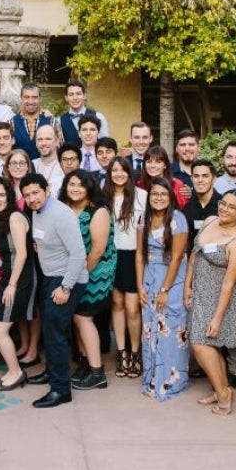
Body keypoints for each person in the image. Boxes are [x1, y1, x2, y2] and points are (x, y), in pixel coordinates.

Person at [22, 173, 87, 408]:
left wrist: (65, 287)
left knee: (55, 334)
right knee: (52, 332)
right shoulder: (37, 211)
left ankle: (61, 390)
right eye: (27, 195)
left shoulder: (61, 214)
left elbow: (79, 254)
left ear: (47, 189)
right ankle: (52, 372)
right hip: (51, 277)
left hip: (66, 280)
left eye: (35, 193)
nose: (31, 198)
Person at [185, 189, 236, 415]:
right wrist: (187, 286)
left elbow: (229, 283)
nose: (225, 209)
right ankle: (220, 388)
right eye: (223, 203)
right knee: (210, 346)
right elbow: (195, 254)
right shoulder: (211, 220)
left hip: (222, 299)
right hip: (200, 293)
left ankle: (224, 395)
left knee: (201, 344)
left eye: (232, 207)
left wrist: (217, 317)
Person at [59, 170, 114, 391]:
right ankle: (84, 362)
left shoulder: (98, 211)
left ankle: (97, 372)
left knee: (83, 318)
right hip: (73, 272)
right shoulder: (65, 209)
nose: (75, 188)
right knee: (75, 316)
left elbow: (98, 250)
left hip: (95, 272)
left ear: (89, 187)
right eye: (71, 184)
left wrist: (77, 277)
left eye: (81, 185)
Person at [137, 180, 190, 402]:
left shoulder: (178, 219)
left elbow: (177, 257)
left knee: (170, 325)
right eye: (154, 194)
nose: (158, 198)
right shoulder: (144, 218)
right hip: (150, 275)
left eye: (163, 194)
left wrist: (165, 289)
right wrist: (139, 284)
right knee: (150, 327)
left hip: (172, 276)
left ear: (171, 197)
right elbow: (139, 254)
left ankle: (171, 379)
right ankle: (152, 376)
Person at [0, 177, 35, 390]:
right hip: (7, 277)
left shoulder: (15, 217)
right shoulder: (0, 218)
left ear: (9, 196)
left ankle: (16, 373)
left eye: (1, 195)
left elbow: (22, 254)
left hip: (20, 279)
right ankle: (13, 369)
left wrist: (12, 285)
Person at [105, 157, 146, 379]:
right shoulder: (105, 197)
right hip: (111, 255)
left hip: (134, 256)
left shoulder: (142, 196)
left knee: (132, 308)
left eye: (123, 170)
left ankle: (136, 352)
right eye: (114, 170)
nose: (119, 174)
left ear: (130, 173)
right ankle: (122, 354)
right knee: (117, 304)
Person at [59, 78, 109, 145]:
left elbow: (105, 144)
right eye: (71, 94)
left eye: (78, 94)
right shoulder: (59, 121)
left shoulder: (99, 117)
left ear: (84, 96)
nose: (75, 98)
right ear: (66, 98)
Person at [12, 82, 54, 160]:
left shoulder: (51, 121)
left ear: (40, 98)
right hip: (20, 169)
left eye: (34, 97)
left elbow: (60, 147)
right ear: (21, 98)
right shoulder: (12, 122)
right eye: (26, 97)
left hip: (44, 169)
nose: (30, 101)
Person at [32, 123, 65, 194]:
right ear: (36, 143)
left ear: (57, 141)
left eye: (48, 139)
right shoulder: (30, 165)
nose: (44, 143)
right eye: (40, 139)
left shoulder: (66, 165)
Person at [172, 129, 199, 195]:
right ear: (176, 148)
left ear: (198, 147)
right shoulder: (168, 172)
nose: (187, 149)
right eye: (183, 145)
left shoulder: (207, 171)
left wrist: (193, 193)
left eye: (191, 145)